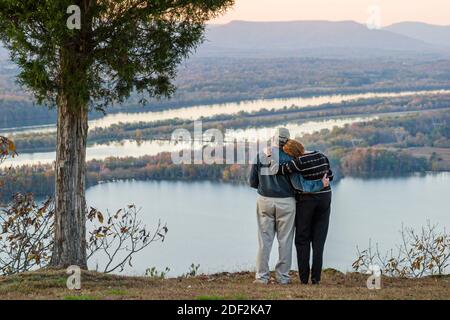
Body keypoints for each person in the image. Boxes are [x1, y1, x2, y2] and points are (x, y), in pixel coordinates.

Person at [248, 128, 328, 285]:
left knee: (265, 241)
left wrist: (266, 186)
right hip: (286, 202)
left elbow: (252, 182)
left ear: (273, 139)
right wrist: (321, 184)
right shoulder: (292, 158)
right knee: (285, 241)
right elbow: (300, 184)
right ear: (288, 141)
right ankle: (282, 277)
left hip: (264, 200)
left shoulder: (261, 155)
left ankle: (261, 277)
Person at [278, 139, 333, 285]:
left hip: (306, 201)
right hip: (325, 198)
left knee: (302, 239)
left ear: (291, 153)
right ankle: (316, 279)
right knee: (319, 240)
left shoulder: (299, 161)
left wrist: (270, 156)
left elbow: (280, 170)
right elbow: (330, 176)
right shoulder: (321, 155)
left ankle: (304, 279)